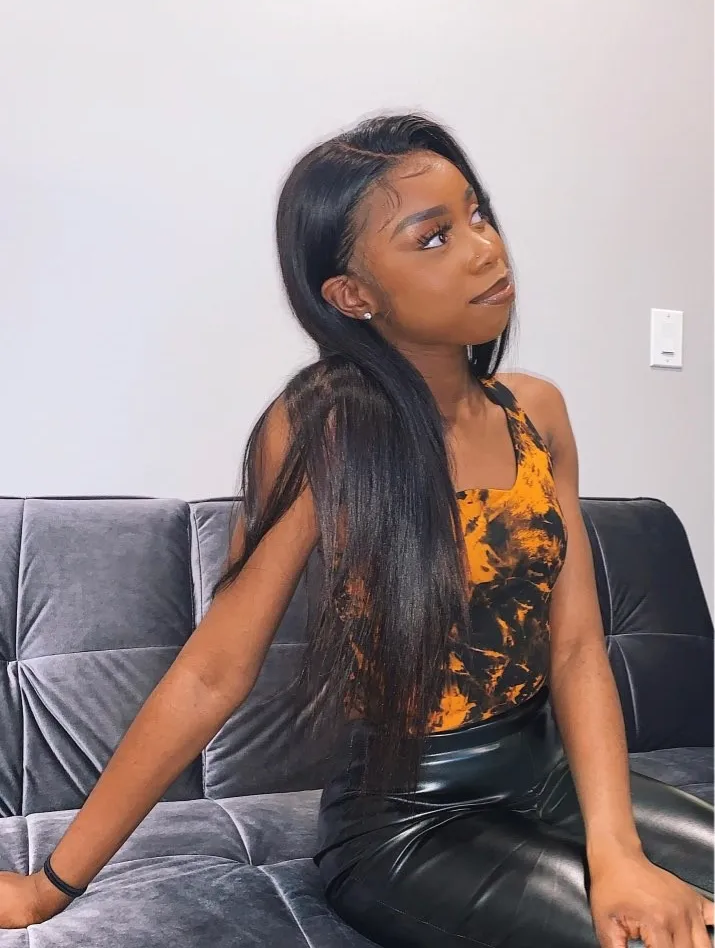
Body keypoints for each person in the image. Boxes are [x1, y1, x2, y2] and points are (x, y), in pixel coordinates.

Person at [0, 114, 711, 947]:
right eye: (433, 236)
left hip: (550, 775)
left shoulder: (537, 413)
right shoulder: (326, 430)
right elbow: (211, 674)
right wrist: (50, 883)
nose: (484, 248)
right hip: (407, 826)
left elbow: (578, 651)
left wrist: (615, 848)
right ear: (351, 295)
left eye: (476, 214)